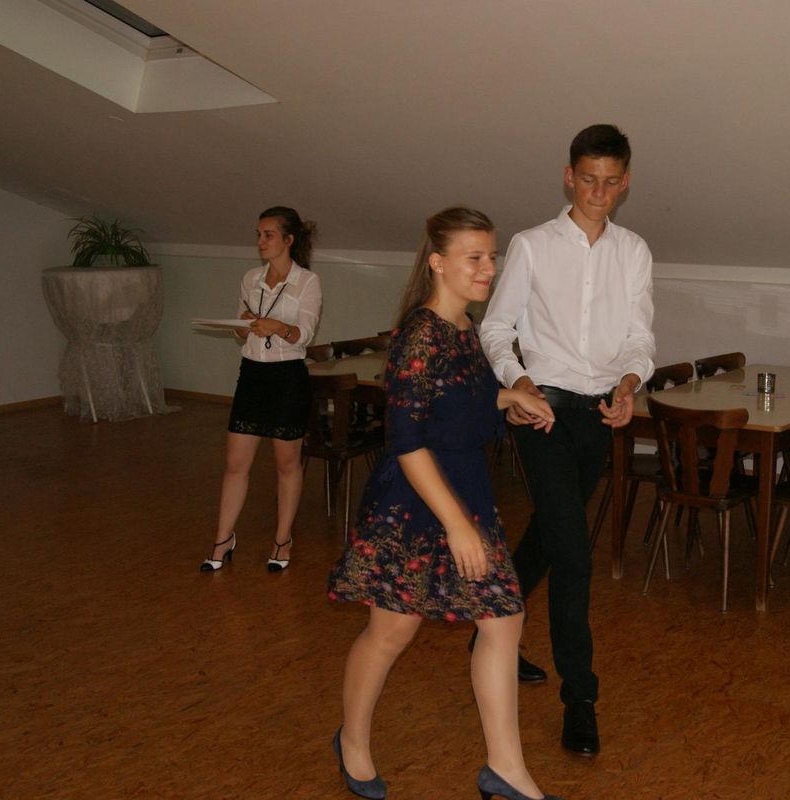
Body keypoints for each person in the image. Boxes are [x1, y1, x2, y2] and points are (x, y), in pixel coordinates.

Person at [327, 208, 564, 800]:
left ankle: (505, 770)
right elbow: (406, 441)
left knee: (503, 619)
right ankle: (352, 739)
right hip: (416, 500)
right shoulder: (420, 334)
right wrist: (456, 525)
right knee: (392, 630)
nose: (488, 268)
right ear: (437, 262)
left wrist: (510, 401)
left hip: (465, 492)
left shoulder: (462, 328)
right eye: (474, 257)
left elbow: (462, 401)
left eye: (491, 256)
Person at [479, 124, 655, 757]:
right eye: (587, 180)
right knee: (574, 554)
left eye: (610, 182)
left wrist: (630, 383)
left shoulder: (633, 251)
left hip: (597, 417)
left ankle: (487, 629)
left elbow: (639, 337)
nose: (597, 193)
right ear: (568, 176)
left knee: (550, 536)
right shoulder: (531, 245)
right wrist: (519, 381)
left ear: (625, 182)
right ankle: (580, 698)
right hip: (542, 414)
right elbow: (496, 328)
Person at [200, 206, 322, 573]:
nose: (260, 242)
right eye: (258, 235)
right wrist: (242, 326)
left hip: (287, 377)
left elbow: (304, 335)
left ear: (289, 240)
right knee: (235, 464)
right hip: (252, 374)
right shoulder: (251, 278)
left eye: (268, 235)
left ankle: (282, 539)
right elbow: (242, 335)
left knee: (286, 464)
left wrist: (277, 327)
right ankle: (223, 539)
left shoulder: (307, 281)